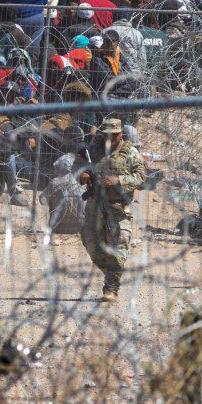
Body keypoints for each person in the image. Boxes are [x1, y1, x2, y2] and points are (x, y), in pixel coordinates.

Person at [78, 117, 147, 302]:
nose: (109, 139)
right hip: (94, 204)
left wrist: (119, 181)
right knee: (91, 243)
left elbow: (142, 177)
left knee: (121, 243)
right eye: (105, 135)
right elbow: (77, 168)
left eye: (113, 136)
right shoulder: (93, 151)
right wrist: (83, 175)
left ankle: (111, 288)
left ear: (120, 134)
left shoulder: (130, 153)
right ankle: (112, 272)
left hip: (118, 207)